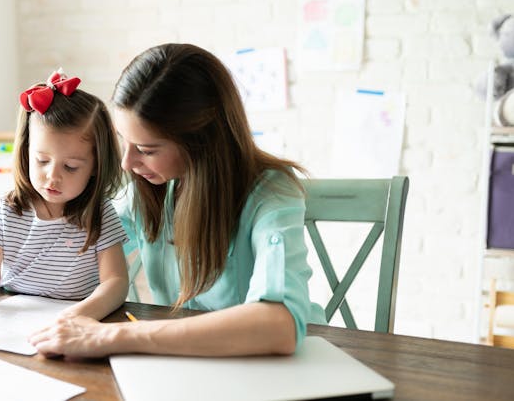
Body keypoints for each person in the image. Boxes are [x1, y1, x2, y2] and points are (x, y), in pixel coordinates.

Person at [27, 43, 326, 358]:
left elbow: (279, 326)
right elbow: (69, 254)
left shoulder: (271, 195)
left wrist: (115, 336)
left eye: (147, 149)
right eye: (123, 140)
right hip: (186, 365)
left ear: (201, 143)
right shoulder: (146, 193)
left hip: (278, 370)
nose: (127, 163)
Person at [0, 69, 130, 324]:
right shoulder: (6, 211)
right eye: (42, 160)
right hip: (13, 322)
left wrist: (80, 314)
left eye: (71, 167)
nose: (52, 176)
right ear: (26, 152)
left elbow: (116, 281)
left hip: (75, 324)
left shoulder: (100, 214)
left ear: (96, 166)